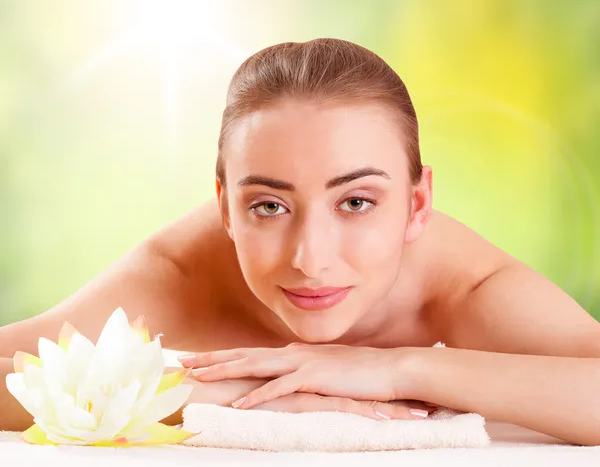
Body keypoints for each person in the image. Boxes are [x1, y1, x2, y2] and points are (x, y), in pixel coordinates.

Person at [1, 38, 600, 444]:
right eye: (268, 206)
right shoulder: (183, 274)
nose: (310, 259)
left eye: (356, 202)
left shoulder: (465, 288)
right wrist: (214, 395)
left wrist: (398, 371)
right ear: (225, 210)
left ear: (417, 204)